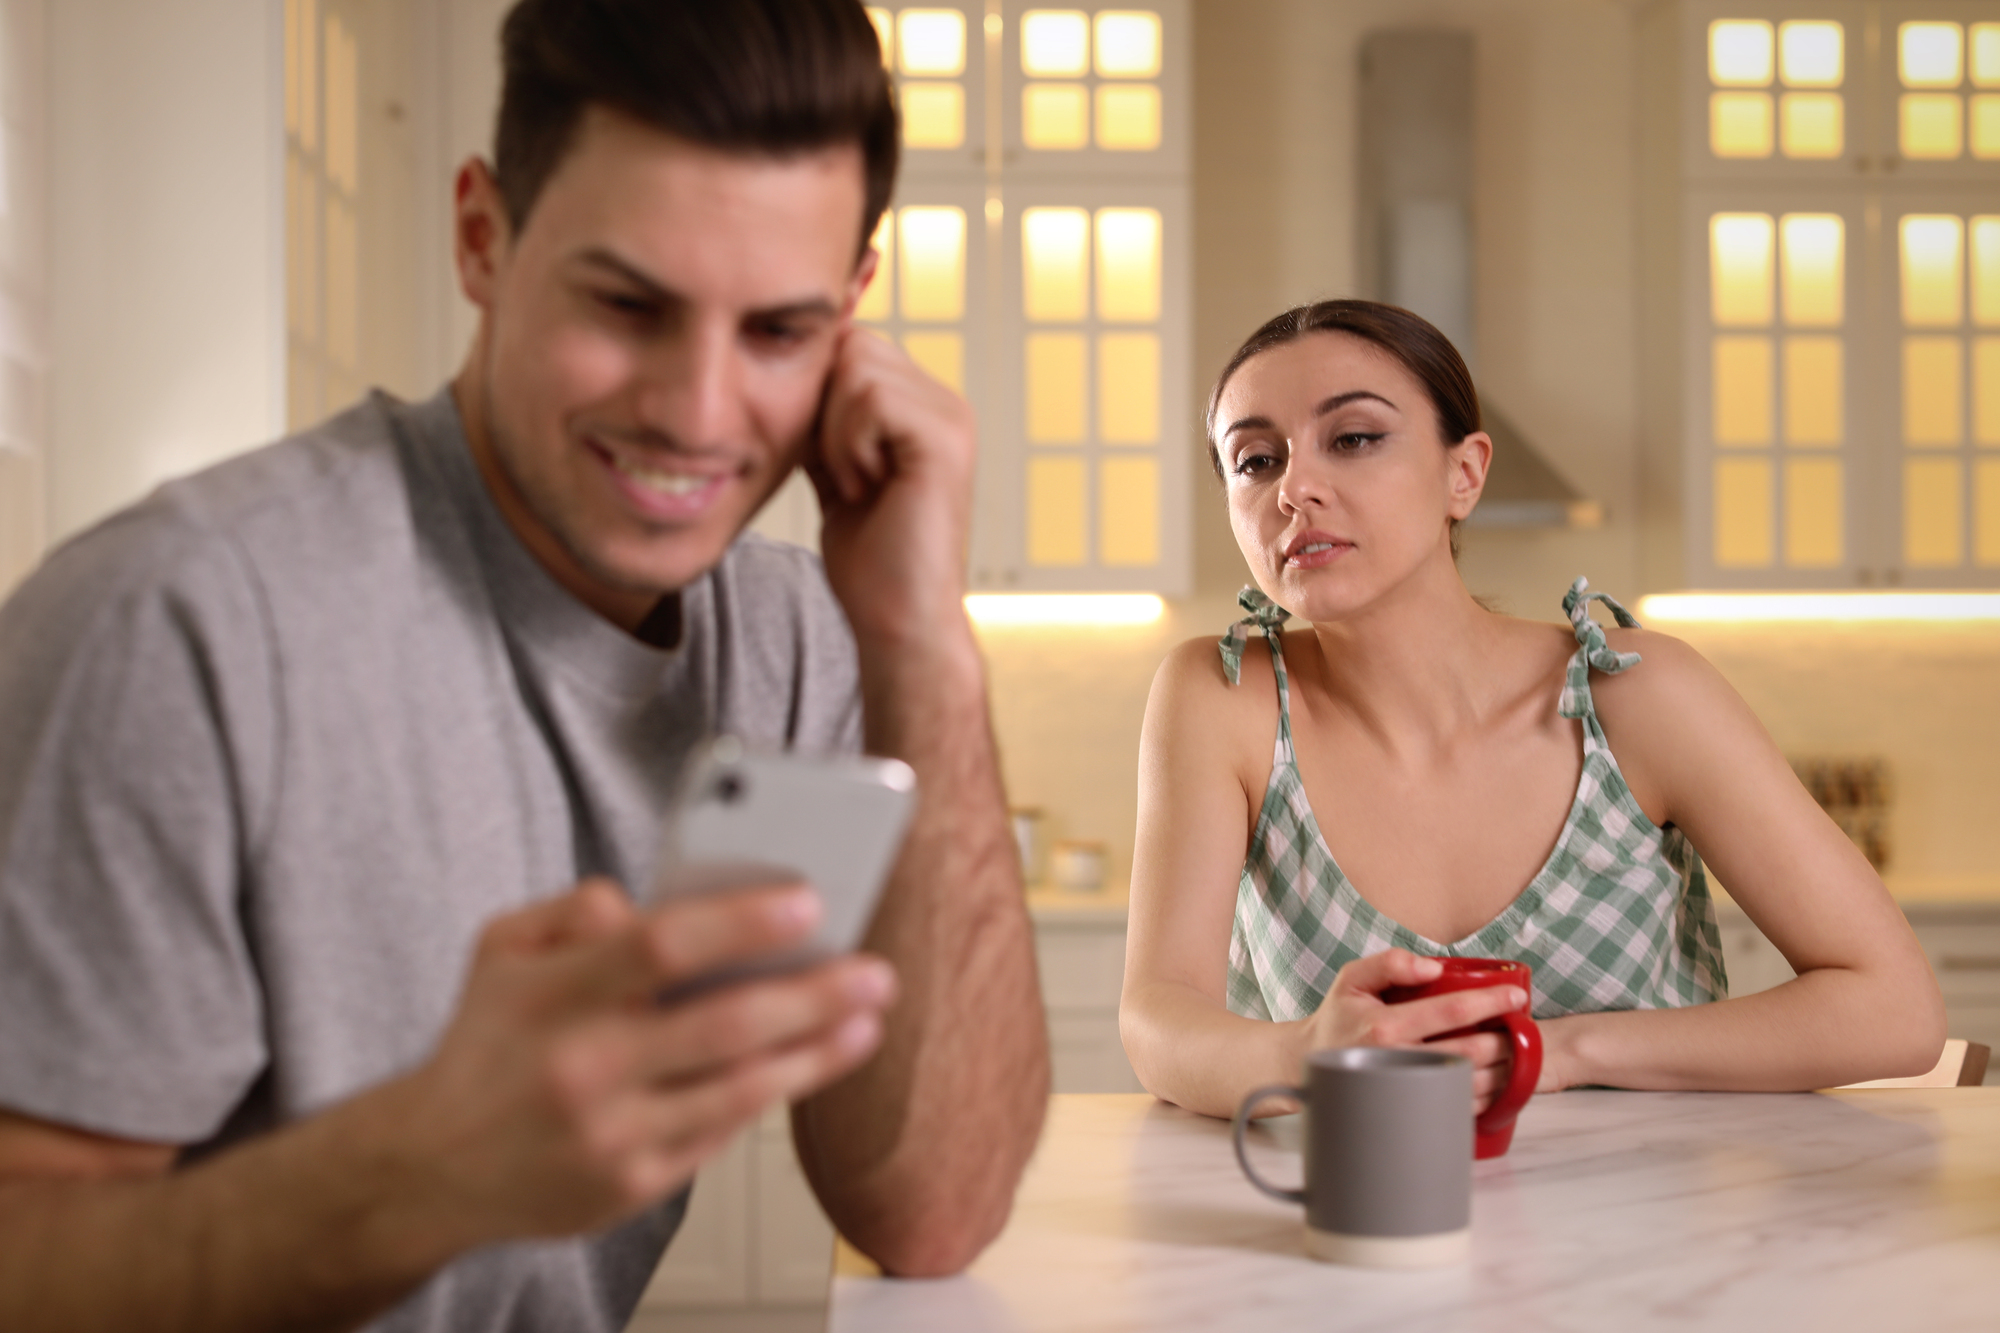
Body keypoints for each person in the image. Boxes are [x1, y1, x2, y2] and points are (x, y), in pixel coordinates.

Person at [0, 1, 1048, 1329]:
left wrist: (927, 643)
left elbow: (932, 1210)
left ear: (852, 316)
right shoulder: (178, 622)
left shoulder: (804, 636)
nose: (697, 411)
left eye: (778, 332)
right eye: (627, 305)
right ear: (481, 236)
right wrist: (426, 1166)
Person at [1119, 299, 1945, 1121]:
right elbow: (1158, 1017)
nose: (1295, 487)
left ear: (1465, 473)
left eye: (1355, 438)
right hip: (1358, 1223)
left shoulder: (1635, 692)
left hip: (1656, 1230)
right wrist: (1301, 1055)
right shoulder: (1220, 696)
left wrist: (1560, 1052)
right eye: (1256, 460)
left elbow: (1895, 1010)